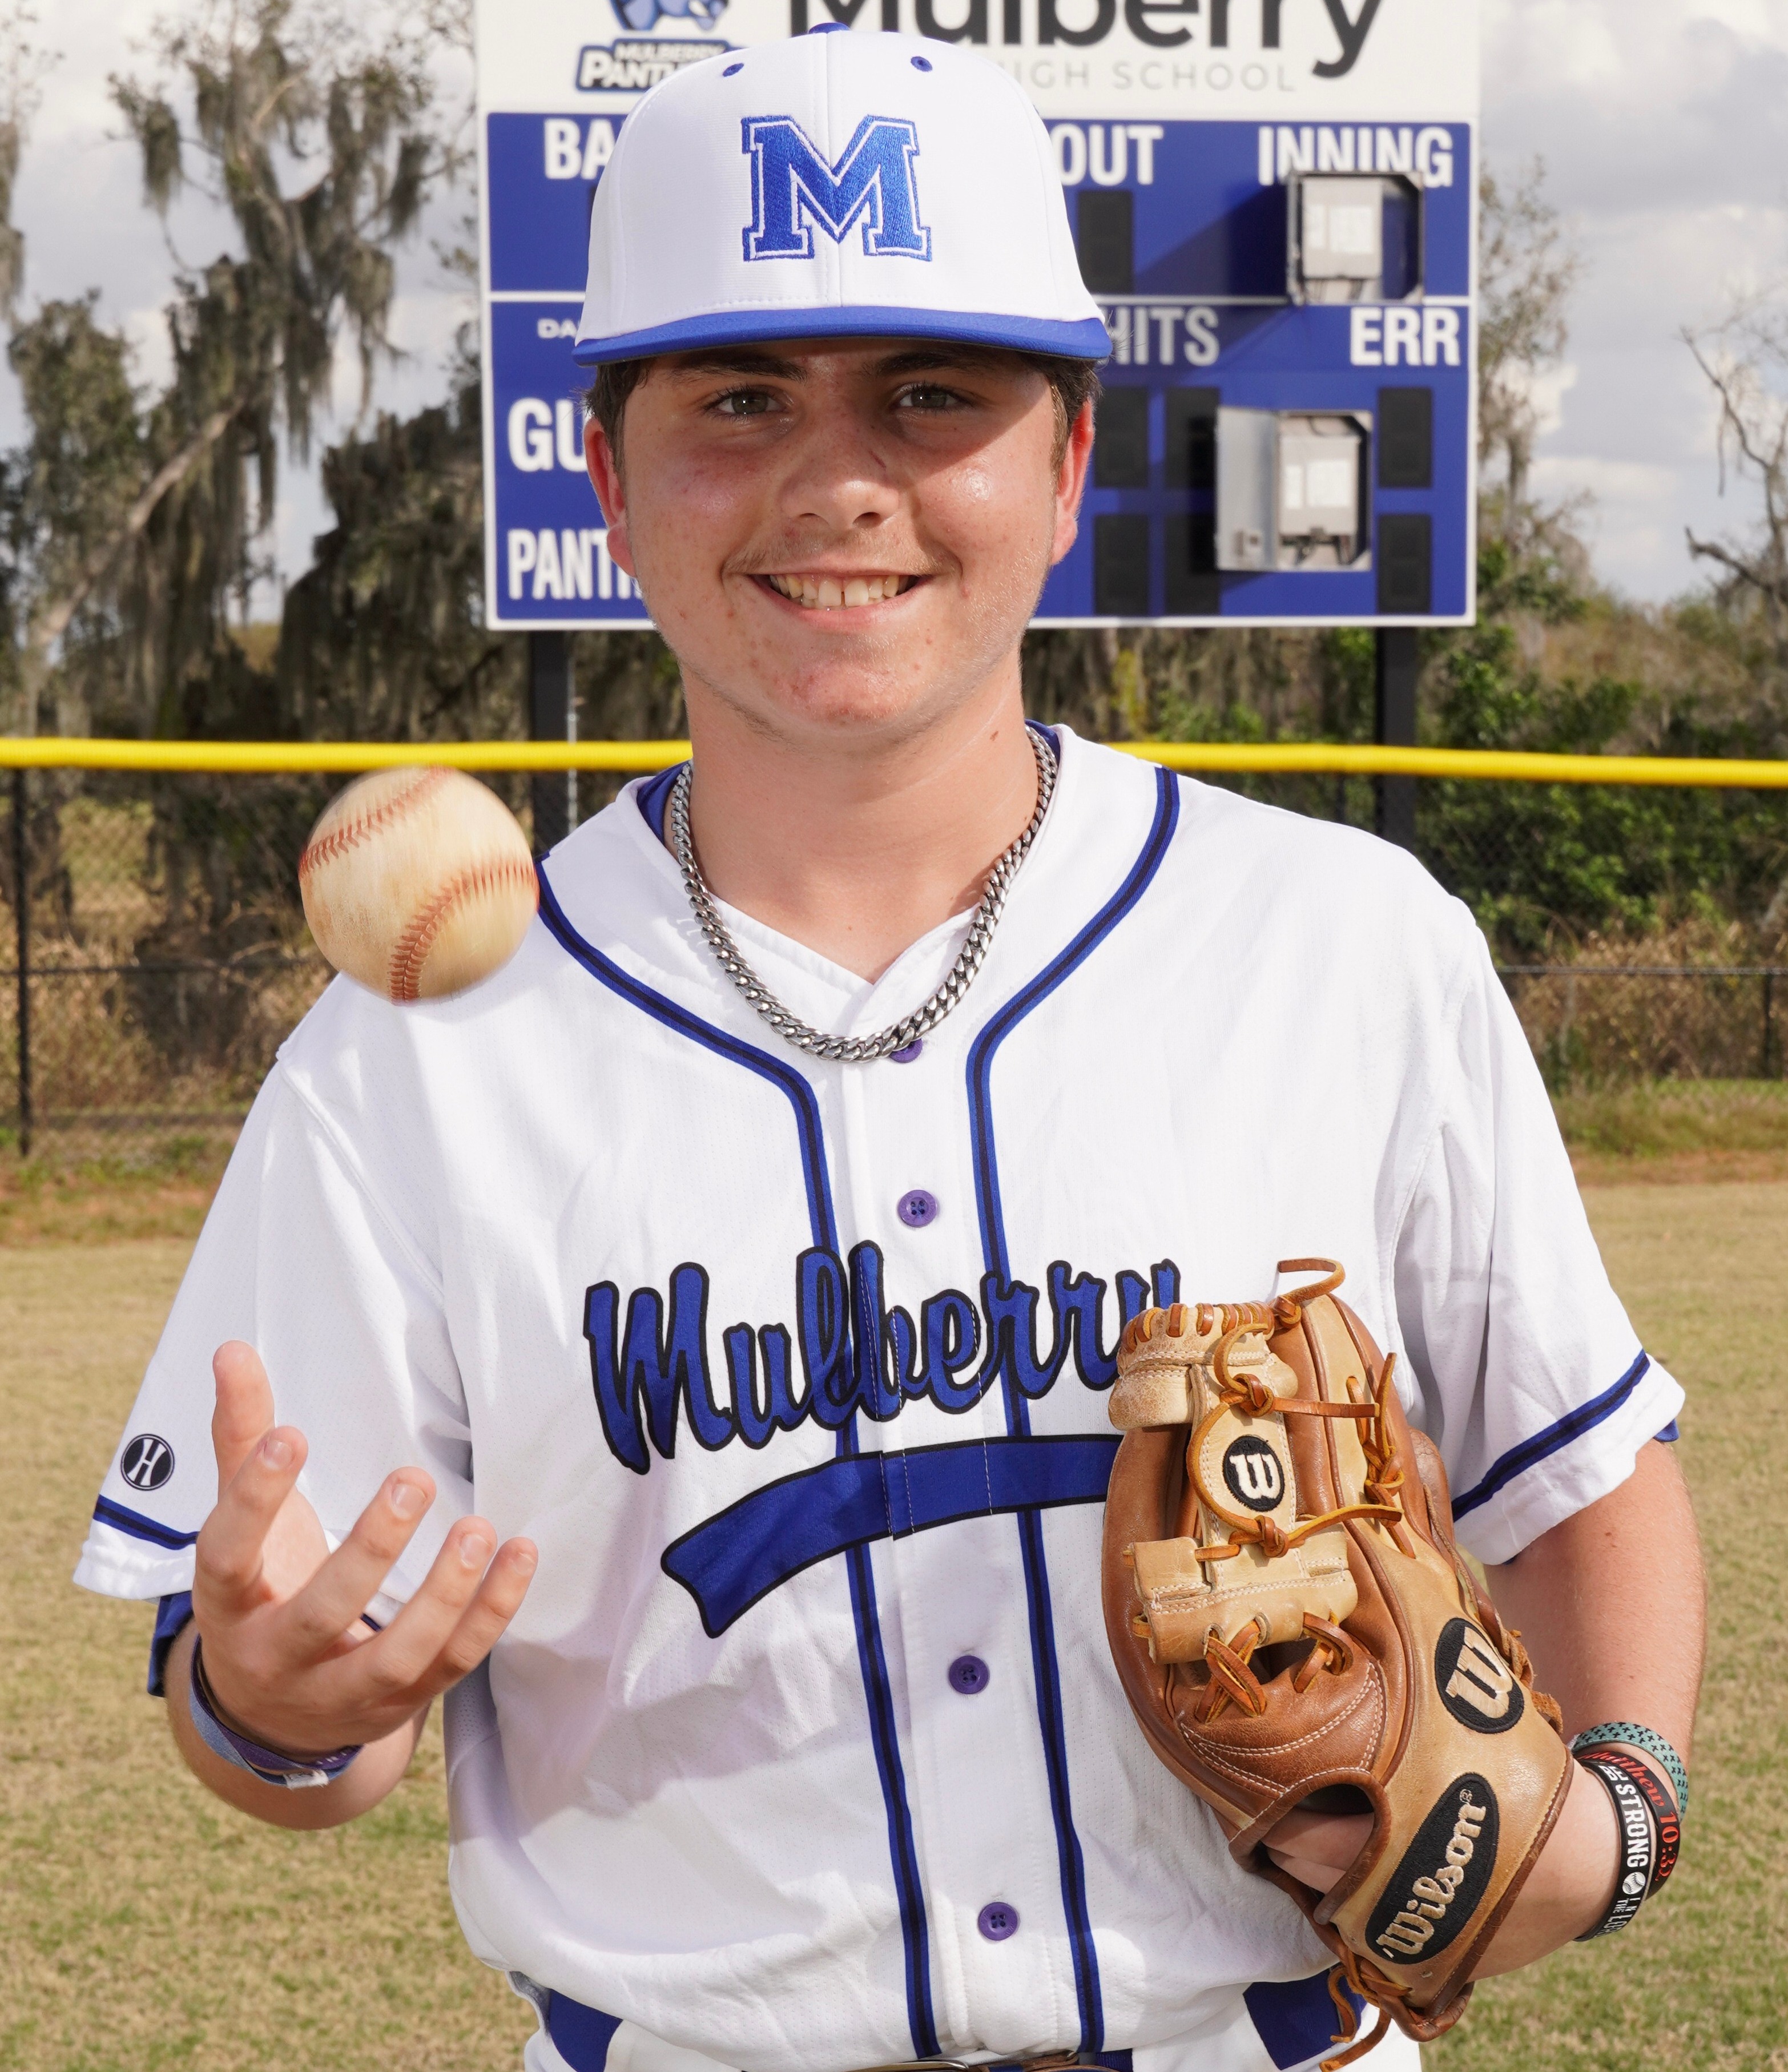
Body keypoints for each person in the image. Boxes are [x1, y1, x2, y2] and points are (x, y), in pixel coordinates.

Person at [75, 27, 1704, 2072]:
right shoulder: (413, 1052)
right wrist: (271, 1706)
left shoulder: (1340, 939)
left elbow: (1578, 1469)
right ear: (608, 476)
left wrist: (1620, 1818)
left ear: (1066, 466)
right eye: (740, 397)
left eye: (931, 395)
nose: (839, 479)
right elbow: (282, 1717)